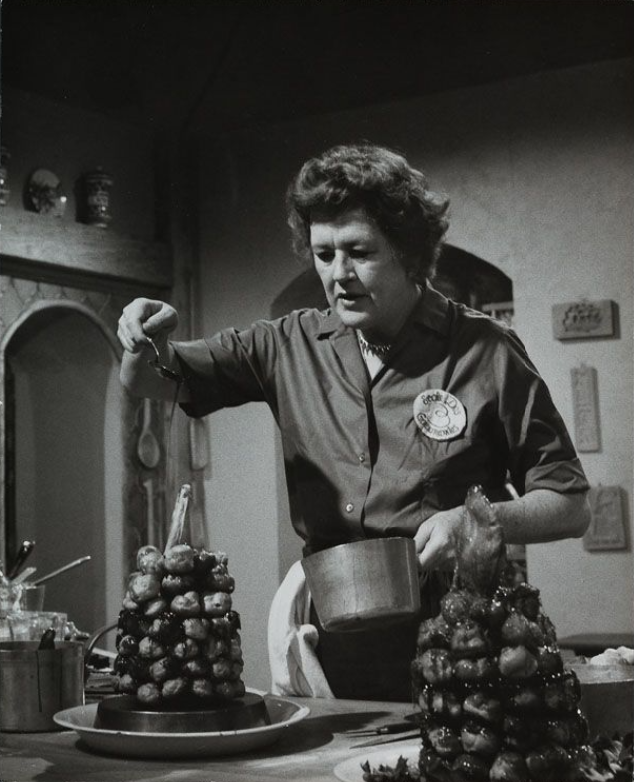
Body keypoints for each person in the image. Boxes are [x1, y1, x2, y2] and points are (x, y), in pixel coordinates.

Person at [117, 142, 590, 701]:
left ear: (408, 251)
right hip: (333, 640)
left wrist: (473, 520)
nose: (338, 274)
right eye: (322, 254)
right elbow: (152, 380)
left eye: (359, 251)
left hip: (462, 640)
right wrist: (143, 336)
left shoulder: (484, 350)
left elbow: (569, 505)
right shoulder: (287, 344)